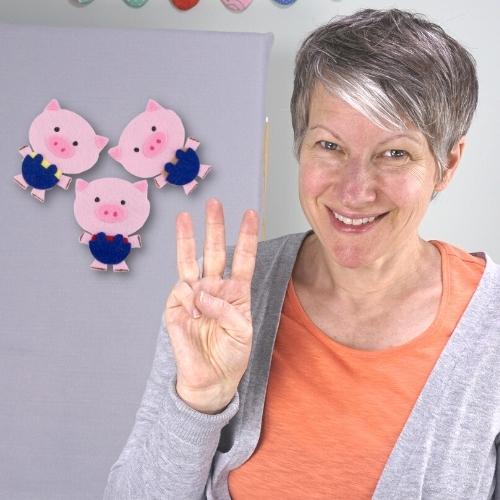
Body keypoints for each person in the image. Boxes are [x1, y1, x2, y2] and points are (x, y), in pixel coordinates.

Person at [103, 8, 500, 500]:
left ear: (447, 164)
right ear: (300, 146)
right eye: (330, 146)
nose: (355, 190)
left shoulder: (491, 326)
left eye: (395, 153)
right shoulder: (221, 296)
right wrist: (199, 400)